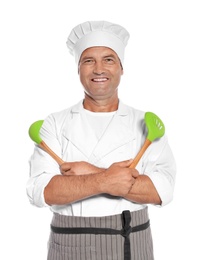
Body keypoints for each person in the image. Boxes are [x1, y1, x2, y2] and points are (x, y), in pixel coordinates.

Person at [27, 20, 176, 260]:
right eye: (88, 61)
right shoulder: (54, 124)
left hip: (130, 242)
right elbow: (41, 191)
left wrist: (92, 173)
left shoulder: (145, 123)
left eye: (108, 59)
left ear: (121, 67)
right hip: (68, 244)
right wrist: (104, 181)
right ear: (78, 69)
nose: (99, 69)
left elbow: (163, 190)